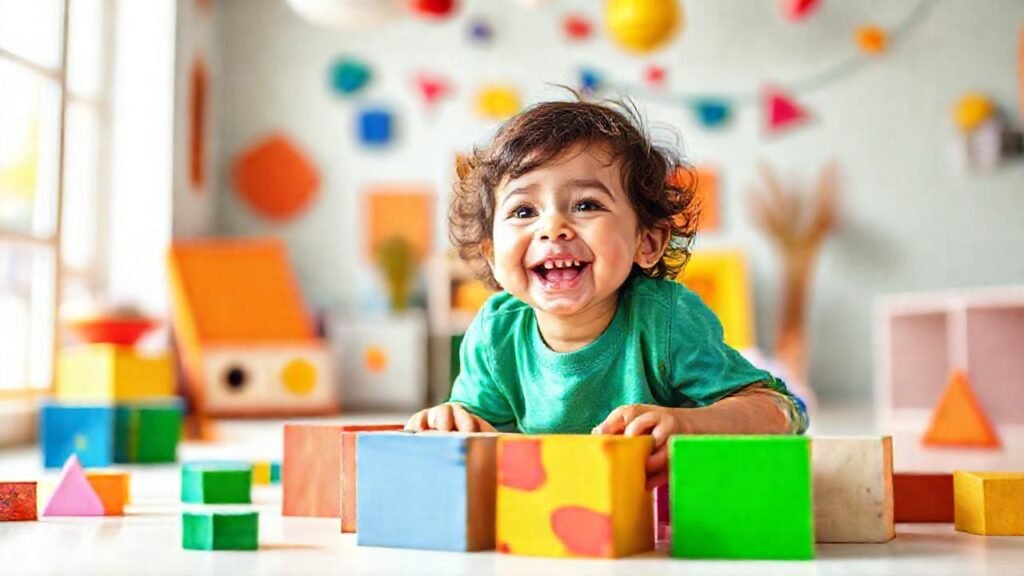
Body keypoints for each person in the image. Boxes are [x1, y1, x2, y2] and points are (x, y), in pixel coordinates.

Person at [407, 97, 808, 488]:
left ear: (646, 242)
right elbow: (478, 435)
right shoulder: (496, 333)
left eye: (586, 204)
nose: (553, 228)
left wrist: (691, 425)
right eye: (524, 211)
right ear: (492, 256)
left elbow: (782, 411)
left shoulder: (665, 321)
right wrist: (452, 422)